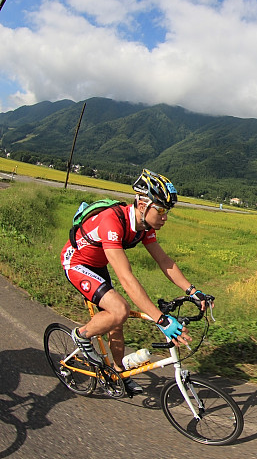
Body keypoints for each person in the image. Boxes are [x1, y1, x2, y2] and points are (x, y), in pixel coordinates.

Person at [60, 169, 206, 395]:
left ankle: (116, 372)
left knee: (116, 322)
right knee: (120, 310)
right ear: (142, 205)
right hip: (77, 263)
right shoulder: (113, 221)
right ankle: (81, 335)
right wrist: (161, 319)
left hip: (98, 266)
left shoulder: (143, 228)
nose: (165, 217)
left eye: (167, 211)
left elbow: (164, 261)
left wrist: (193, 290)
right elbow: (126, 278)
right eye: (161, 210)